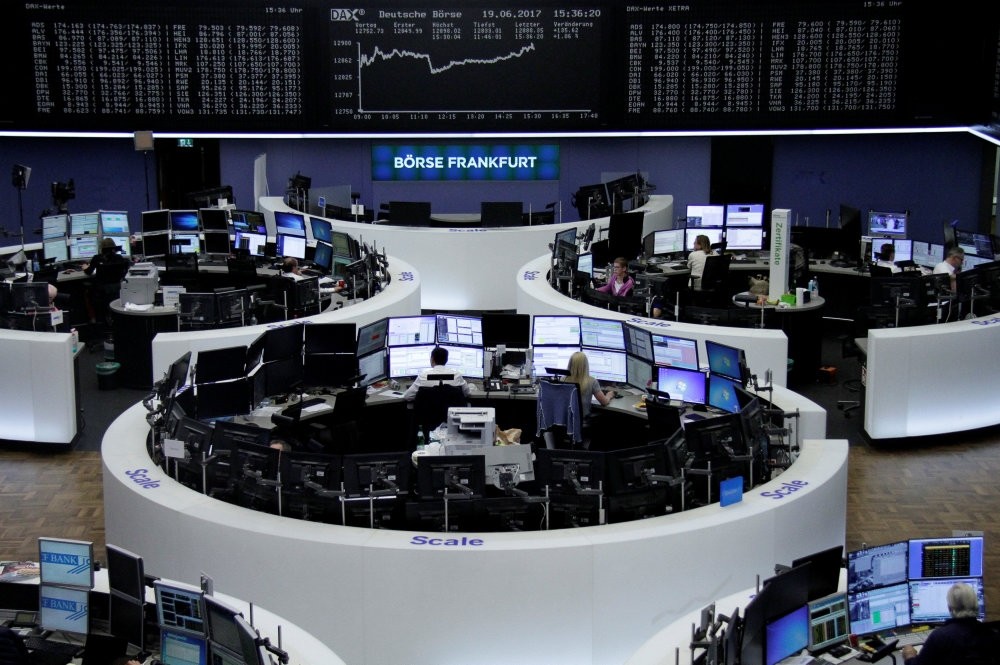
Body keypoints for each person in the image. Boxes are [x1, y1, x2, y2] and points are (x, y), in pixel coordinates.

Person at [900, 582, 996, 664]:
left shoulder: (939, 637)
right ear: (976, 604)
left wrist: (909, 657)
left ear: (950, 608)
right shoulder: (991, 634)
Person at [403, 346, 471, 401]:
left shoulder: (423, 376)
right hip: (450, 416)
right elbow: (467, 393)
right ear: (446, 360)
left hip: (427, 417)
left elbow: (407, 396)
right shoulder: (457, 375)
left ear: (432, 359)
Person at [565, 351, 615, 420]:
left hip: (565, 421)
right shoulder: (592, 381)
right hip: (581, 420)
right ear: (585, 365)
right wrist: (609, 395)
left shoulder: (563, 379)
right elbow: (604, 402)